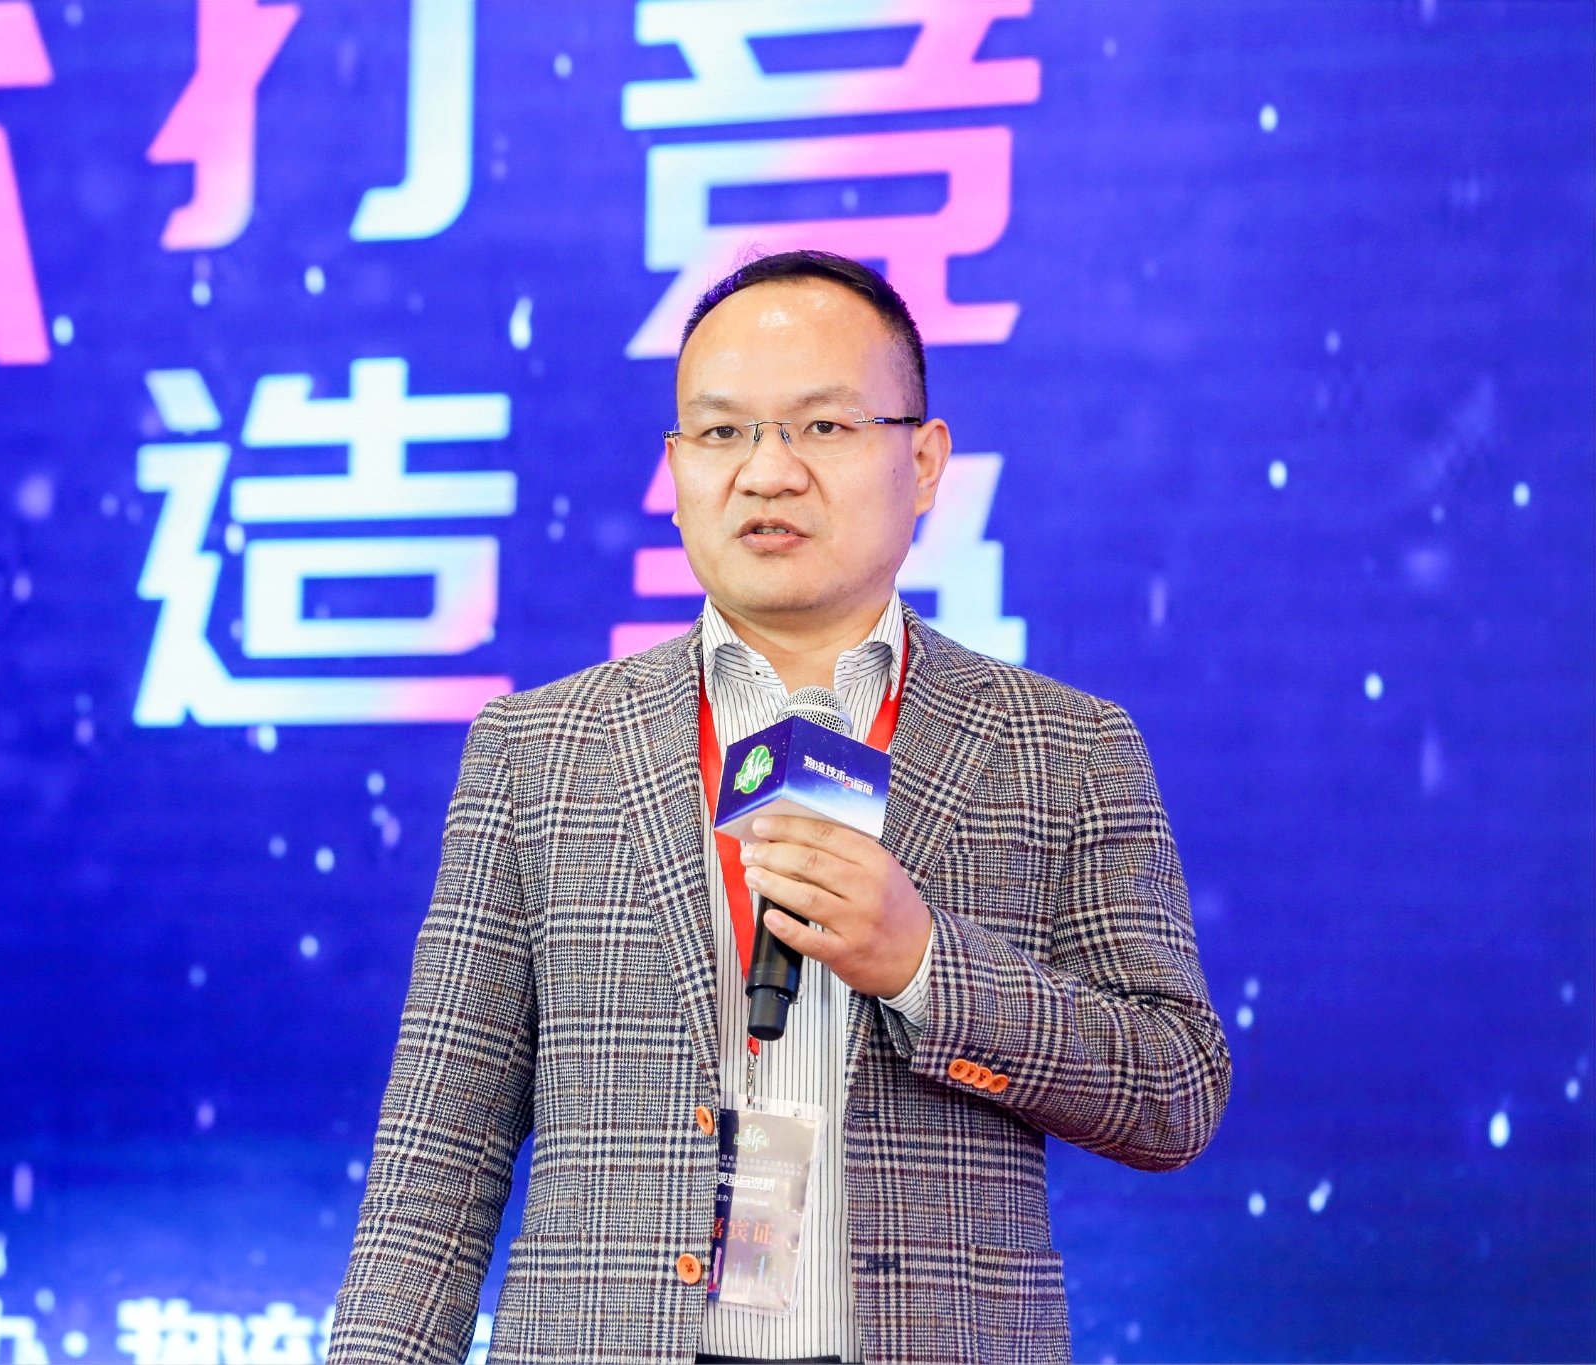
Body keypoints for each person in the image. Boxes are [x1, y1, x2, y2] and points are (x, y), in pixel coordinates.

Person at [327, 250, 1230, 1364]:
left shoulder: (1063, 747)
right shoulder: (542, 749)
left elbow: (1172, 1090)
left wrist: (926, 966)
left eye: (822, 427)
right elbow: (438, 1149)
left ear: (924, 460)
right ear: (676, 468)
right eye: (722, 432)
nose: (766, 472)